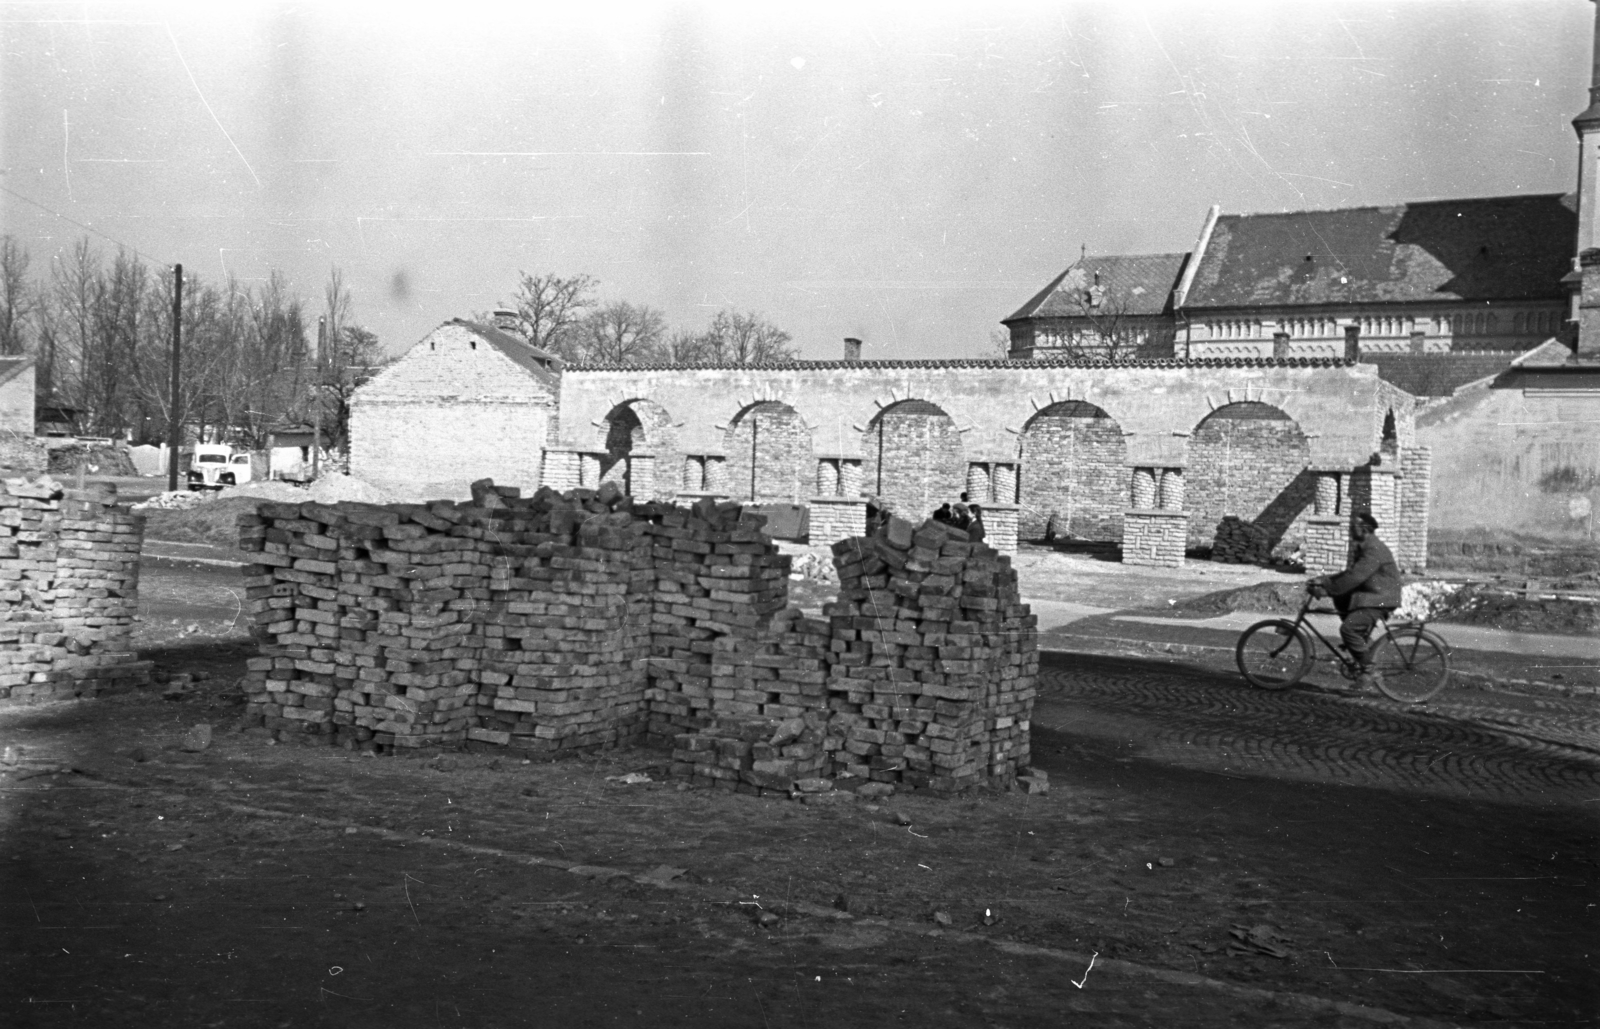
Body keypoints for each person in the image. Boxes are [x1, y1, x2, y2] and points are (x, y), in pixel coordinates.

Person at [1309, 512, 1403, 689]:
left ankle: (1369, 671)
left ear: (1364, 529)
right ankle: (1362, 651)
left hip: (1380, 599)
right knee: (1342, 601)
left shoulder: (1373, 549)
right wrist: (1324, 580)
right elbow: (1349, 574)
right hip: (1372, 596)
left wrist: (1328, 589)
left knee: (1348, 629)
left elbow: (1355, 577)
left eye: (1354, 527)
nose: (1351, 530)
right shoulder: (1365, 547)